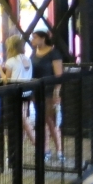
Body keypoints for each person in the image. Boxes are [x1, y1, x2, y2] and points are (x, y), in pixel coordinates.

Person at [30, 27, 64, 160]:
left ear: (43, 38)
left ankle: (59, 149)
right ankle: (46, 149)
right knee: (41, 120)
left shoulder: (54, 53)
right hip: (37, 91)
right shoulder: (34, 53)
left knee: (51, 120)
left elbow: (59, 75)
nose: (32, 40)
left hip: (49, 92)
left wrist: (57, 92)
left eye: (35, 37)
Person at [0, 34, 35, 146]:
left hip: (13, 94)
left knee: (20, 120)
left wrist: (0, 70)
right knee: (23, 117)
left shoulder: (11, 61)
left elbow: (7, 80)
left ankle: (36, 143)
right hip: (26, 91)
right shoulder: (27, 59)